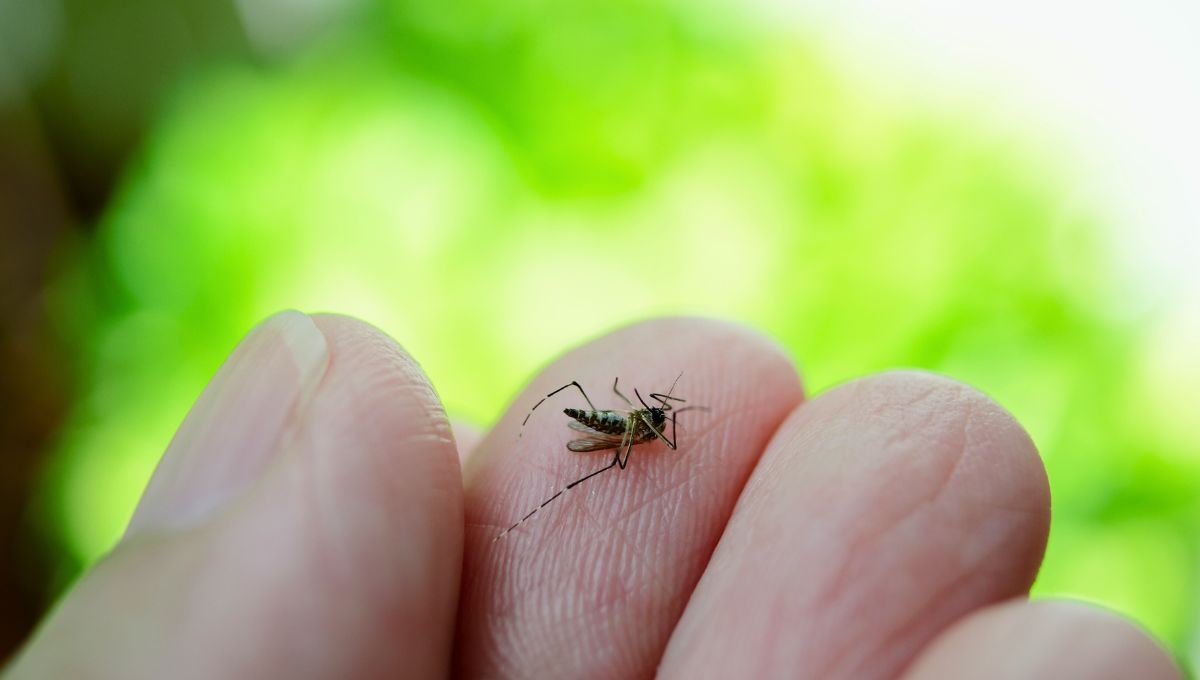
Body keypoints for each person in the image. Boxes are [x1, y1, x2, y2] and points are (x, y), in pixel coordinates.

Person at [4, 313, 1181, 678]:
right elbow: (622, 428)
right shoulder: (626, 432)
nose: (655, 431)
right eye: (655, 424)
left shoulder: (646, 436)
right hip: (589, 433)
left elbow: (643, 433)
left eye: (653, 426)